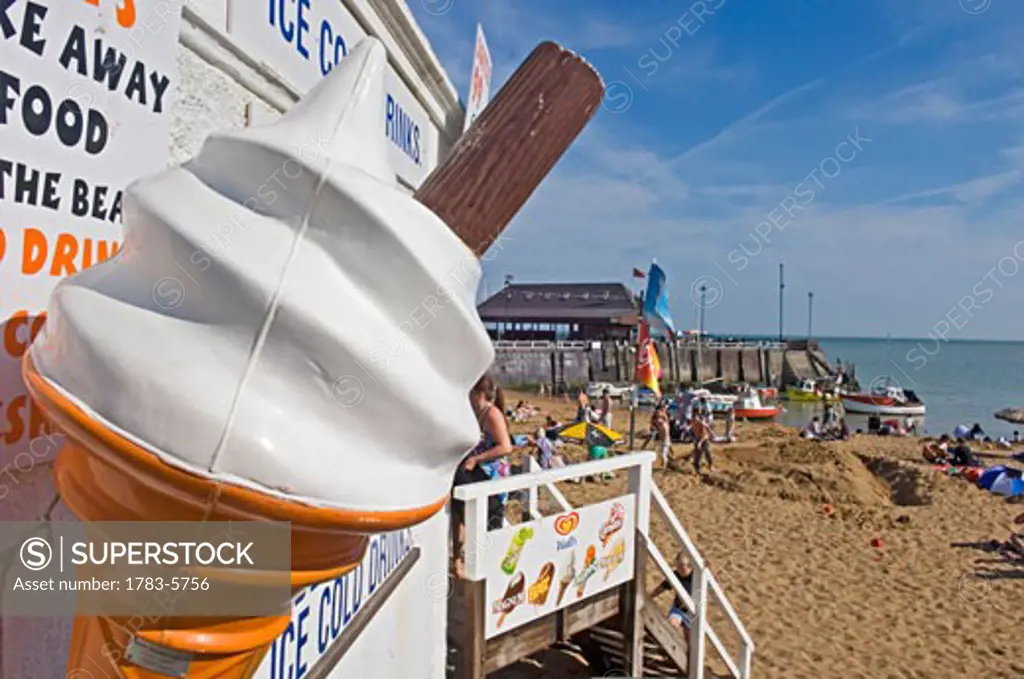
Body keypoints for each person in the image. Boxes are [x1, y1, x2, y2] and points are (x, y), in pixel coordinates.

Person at [452, 375, 513, 576]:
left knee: (488, 521)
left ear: (478, 393)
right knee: (460, 509)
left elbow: (506, 447)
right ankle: (459, 559)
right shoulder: (475, 413)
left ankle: (487, 564)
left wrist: (476, 459)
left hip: (490, 474)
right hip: (476, 472)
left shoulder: (492, 414)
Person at [650, 551, 694, 646]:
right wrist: (650, 596)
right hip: (678, 608)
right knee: (671, 624)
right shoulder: (676, 575)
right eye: (677, 566)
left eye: (682, 567)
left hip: (691, 613)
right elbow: (662, 587)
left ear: (689, 566)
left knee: (690, 642)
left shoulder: (695, 578)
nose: (679, 569)